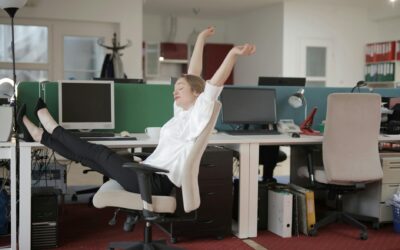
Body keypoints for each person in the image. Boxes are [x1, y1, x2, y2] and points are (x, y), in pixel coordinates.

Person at [17, 26, 256, 218]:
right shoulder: (182, 112)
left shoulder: (200, 113)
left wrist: (232, 55)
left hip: (156, 181)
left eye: (180, 88)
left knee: (100, 153)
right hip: (150, 171)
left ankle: (52, 128)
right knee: (86, 157)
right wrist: (201, 39)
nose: (175, 91)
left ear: (195, 93)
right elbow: (193, 74)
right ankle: (43, 136)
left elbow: (213, 84)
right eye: (175, 88)